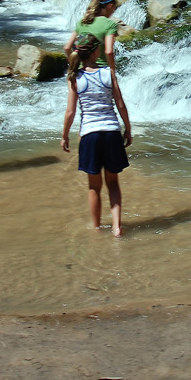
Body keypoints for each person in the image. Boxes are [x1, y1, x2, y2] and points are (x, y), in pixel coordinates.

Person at [61, 33, 133, 236]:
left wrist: (64, 135)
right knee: (113, 182)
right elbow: (120, 104)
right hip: (111, 132)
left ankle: (96, 228)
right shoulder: (108, 73)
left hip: (90, 135)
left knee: (94, 187)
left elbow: (70, 112)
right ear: (95, 51)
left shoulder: (75, 77)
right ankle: (117, 227)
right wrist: (127, 128)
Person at [63, 0, 119, 69]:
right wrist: (112, 72)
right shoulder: (109, 24)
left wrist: (75, 67)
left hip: (82, 72)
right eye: (114, 8)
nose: (113, 11)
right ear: (110, 6)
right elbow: (109, 52)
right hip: (101, 70)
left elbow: (67, 48)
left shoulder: (82, 22)